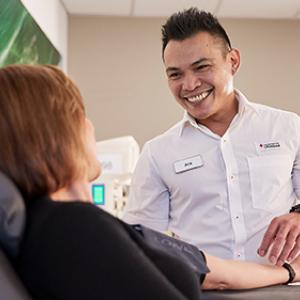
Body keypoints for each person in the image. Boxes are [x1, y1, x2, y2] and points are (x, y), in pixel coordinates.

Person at [1, 64, 300, 300]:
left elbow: (215, 271)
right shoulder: (73, 227)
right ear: (55, 136)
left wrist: (288, 271)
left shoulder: (69, 225)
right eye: (80, 116)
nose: (91, 126)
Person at [123, 7, 300, 266]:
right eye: (176, 74)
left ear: (233, 61)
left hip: (283, 285)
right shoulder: (158, 153)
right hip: (202, 290)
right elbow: (138, 241)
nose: (190, 84)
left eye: (201, 67)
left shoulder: (287, 127)